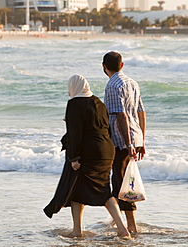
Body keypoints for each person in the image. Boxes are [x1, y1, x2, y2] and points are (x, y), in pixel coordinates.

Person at [44, 74, 130, 239]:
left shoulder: (74, 103)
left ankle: (79, 231)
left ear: (73, 87)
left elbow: (76, 134)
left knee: (83, 190)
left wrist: (74, 158)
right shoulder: (99, 102)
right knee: (101, 190)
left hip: (88, 152)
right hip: (106, 150)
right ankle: (119, 228)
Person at [102, 51, 147, 233]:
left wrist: (128, 145)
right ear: (122, 65)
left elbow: (120, 115)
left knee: (122, 180)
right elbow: (141, 112)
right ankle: (117, 219)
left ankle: (131, 225)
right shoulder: (132, 83)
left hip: (121, 139)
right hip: (135, 135)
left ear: (104, 66)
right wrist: (141, 140)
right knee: (122, 178)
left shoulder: (112, 85)